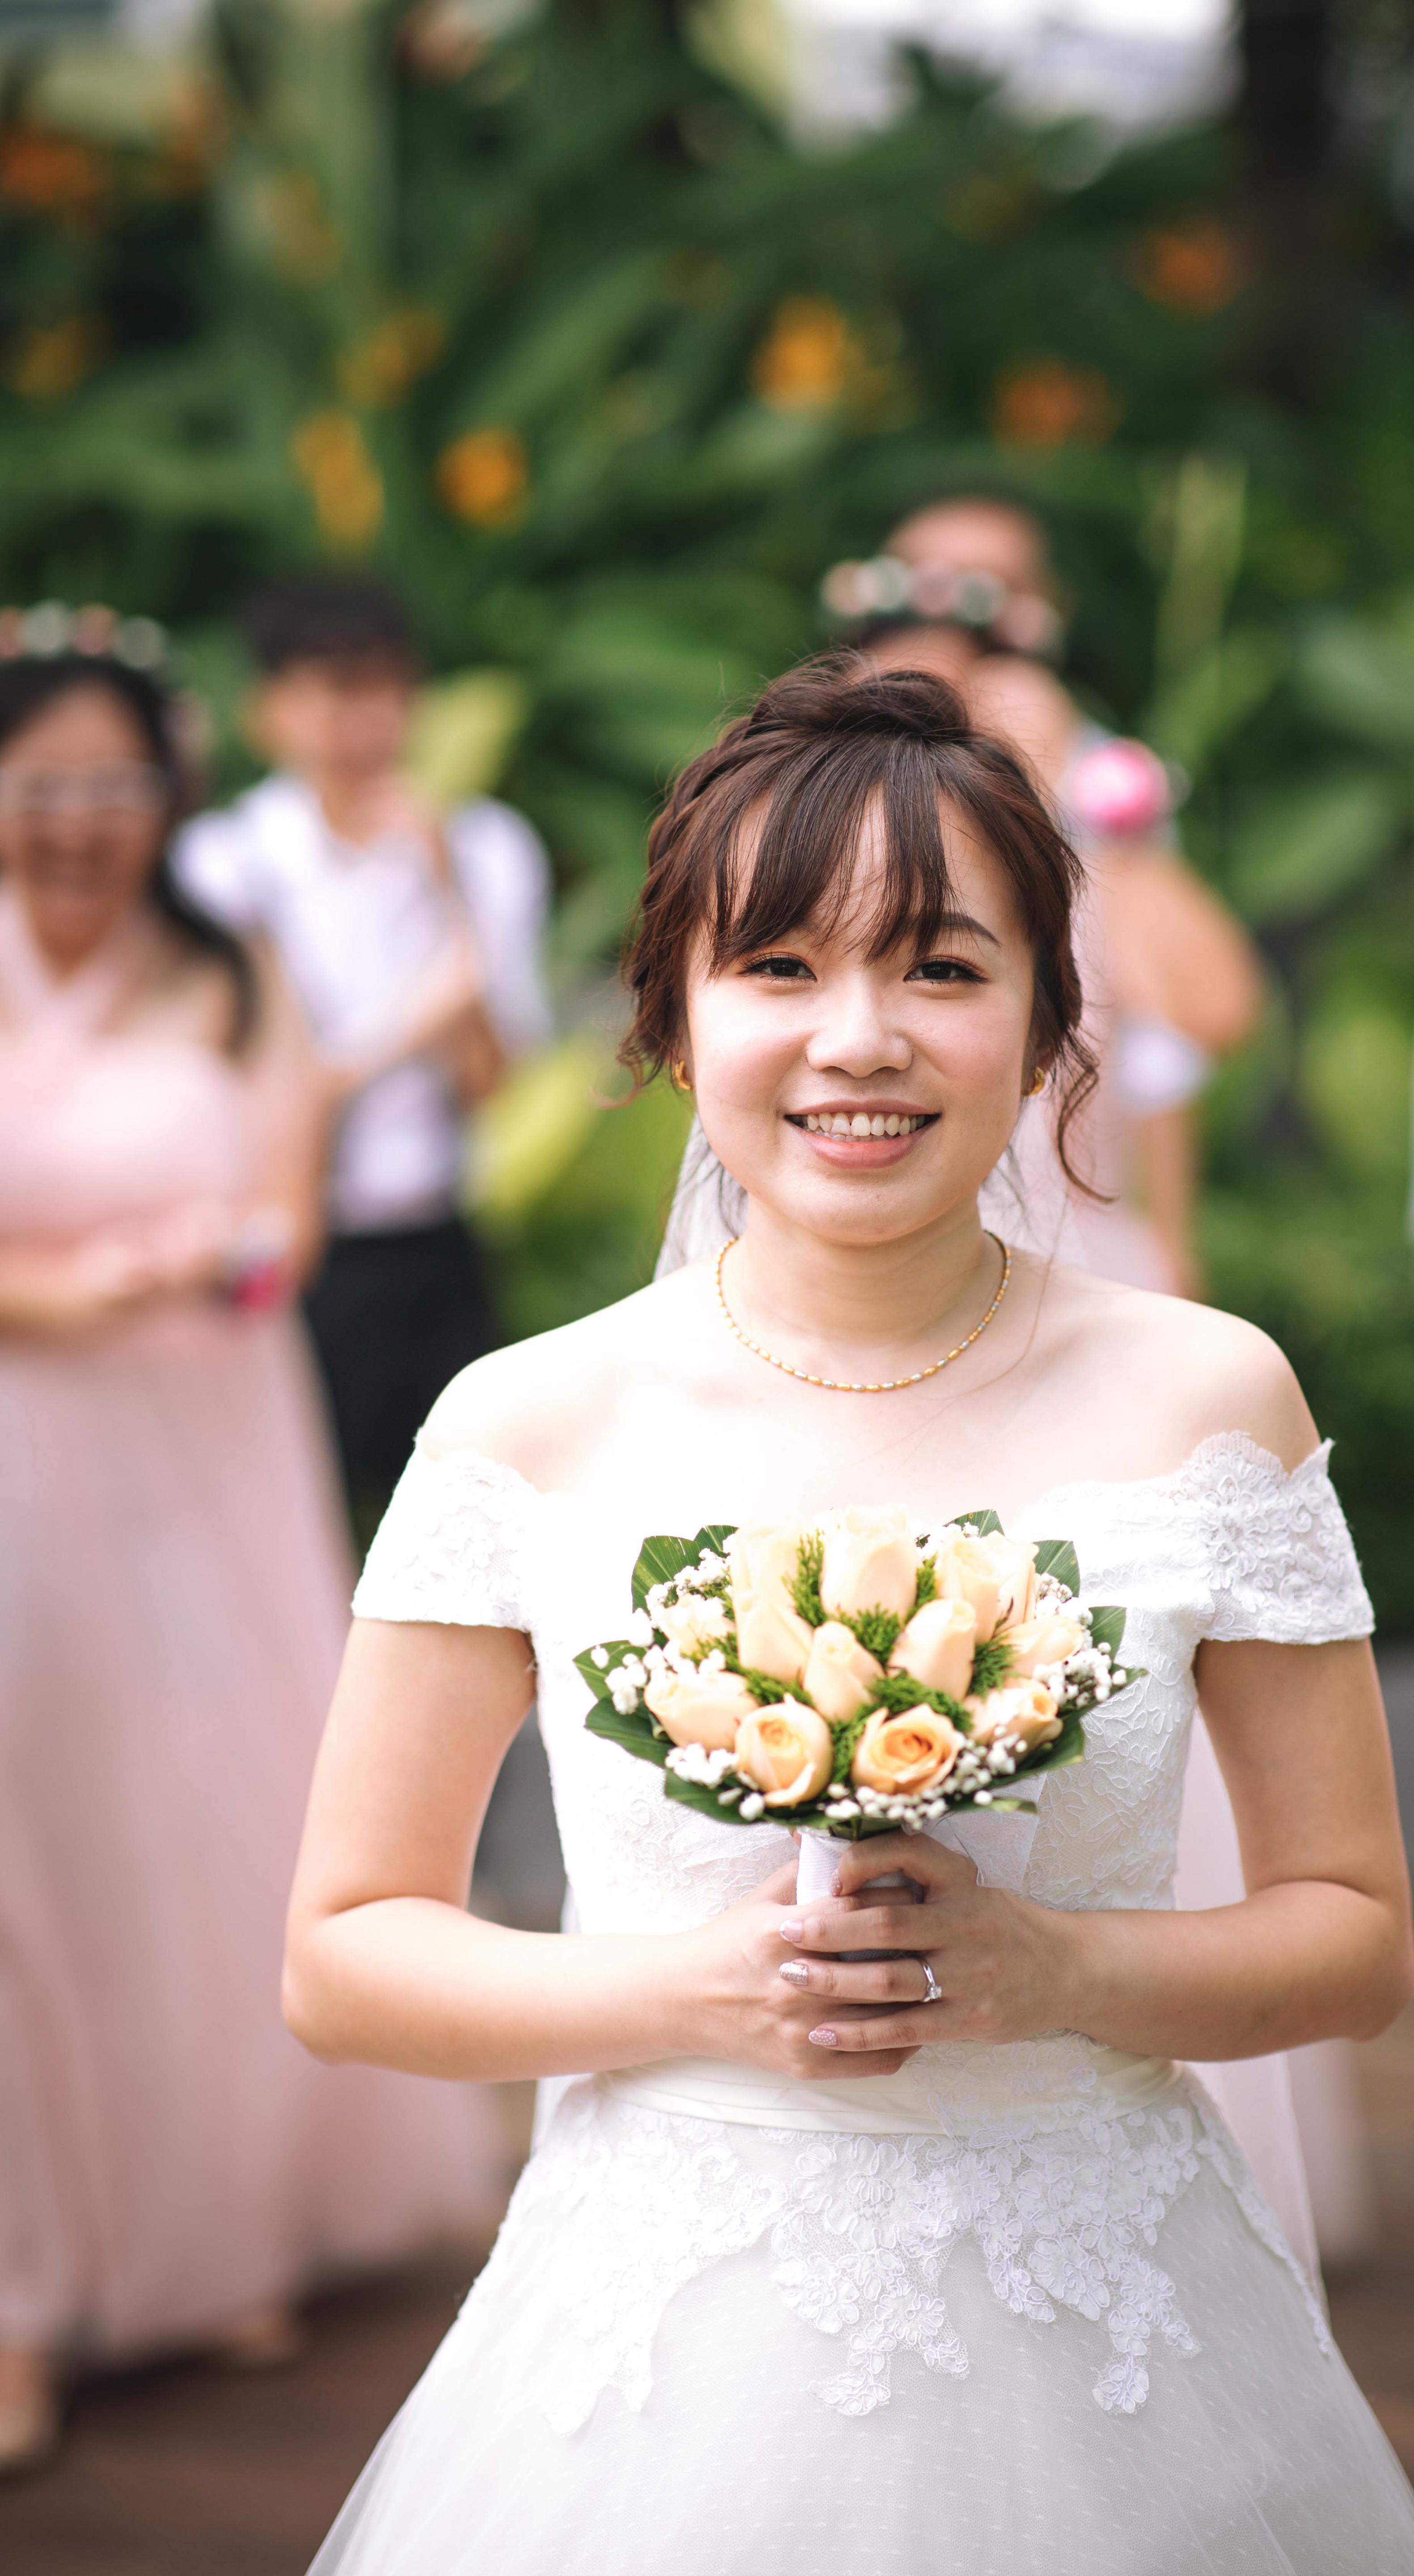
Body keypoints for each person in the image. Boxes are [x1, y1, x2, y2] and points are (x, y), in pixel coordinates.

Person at [288, 661, 1414, 2572]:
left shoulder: (1209, 1397)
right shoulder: (525, 1424)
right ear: (672, 1017)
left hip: (1114, 2330)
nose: (860, 1039)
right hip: (654, 2353)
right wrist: (701, 1994)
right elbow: (344, 1957)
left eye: (941, 967)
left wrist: (1058, 1972)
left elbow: (1358, 1935)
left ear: (1049, 1020)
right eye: (777, 967)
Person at [836, 503, 1372, 2271]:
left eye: (987, 621)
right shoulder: (830, 825)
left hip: (1092, 1311)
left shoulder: (1090, 819)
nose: (954, 651)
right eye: (920, 614)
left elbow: (1215, 1005)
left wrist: (1089, 815)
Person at [0, 631, 496, 2477]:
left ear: (170, 798)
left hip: (205, 1455)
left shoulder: (230, 973)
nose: (81, 823)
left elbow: (291, 1216)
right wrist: (55, 1294)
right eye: (42, 785)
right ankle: (22, 2288)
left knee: (195, 1825)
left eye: (117, 787)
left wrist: (218, 1263)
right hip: (20, 1453)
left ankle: (205, 2231)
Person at [174, 577, 552, 1522]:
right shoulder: (225, 862)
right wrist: (390, 1044)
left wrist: (442, 883)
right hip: (291, 1241)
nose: (368, 720)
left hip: (438, 1235)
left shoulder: (485, 846)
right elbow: (229, 1080)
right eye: (336, 690)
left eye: (388, 688)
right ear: (268, 711)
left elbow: (490, 1079)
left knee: (467, 1509)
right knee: (290, 1512)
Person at [830, 494, 1265, 1298]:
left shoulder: (1100, 782)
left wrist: (1059, 782)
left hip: (1066, 1245)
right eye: (920, 585)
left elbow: (1215, 1014)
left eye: (985, 592)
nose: (946, 631)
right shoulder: (803, 774)